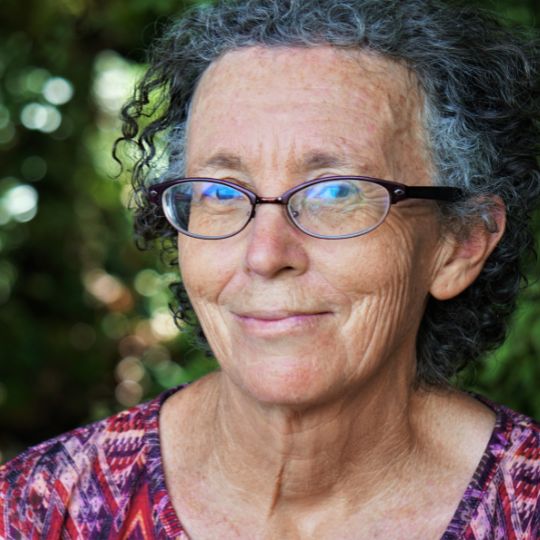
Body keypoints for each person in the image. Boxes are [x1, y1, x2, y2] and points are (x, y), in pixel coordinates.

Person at [2, 0, 540, 538]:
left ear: (459, 244)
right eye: (219, 191)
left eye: (336, 191)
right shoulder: (40, 511)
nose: (264, 254)